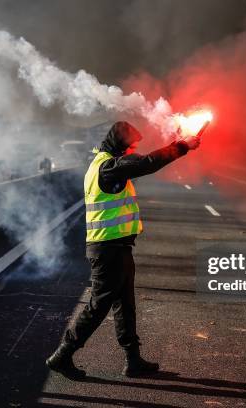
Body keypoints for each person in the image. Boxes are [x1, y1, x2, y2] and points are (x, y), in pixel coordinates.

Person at [46, 121, 201, 379]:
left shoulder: (107, 165)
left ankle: (133, 360)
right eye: (130, 148)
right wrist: (182, 147)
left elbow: (143, 161)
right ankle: (62, 355)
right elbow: (146, 162)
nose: (132, 153)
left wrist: (176, 143)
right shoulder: (108, 167)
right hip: (107, 249)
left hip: (117, 247)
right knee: (98, 306)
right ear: (120, 146)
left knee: (125, 305)